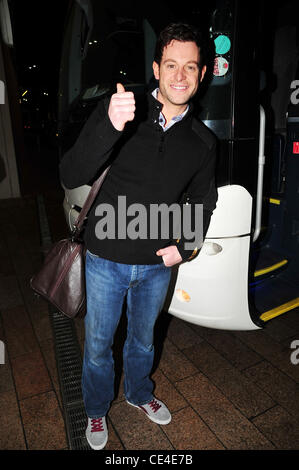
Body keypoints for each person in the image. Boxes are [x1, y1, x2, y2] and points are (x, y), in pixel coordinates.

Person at [59, 22, 217, 450]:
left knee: (143, 340)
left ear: (202, 75)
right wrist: (107, 127)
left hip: (155, 266)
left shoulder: (203, 142)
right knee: (97, 344)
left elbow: (204, 202)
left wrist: (183, 247)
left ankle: (138, 394)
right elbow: (71, 173)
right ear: (156, 69)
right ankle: (95, 411)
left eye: (190, 67)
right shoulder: (123, 111)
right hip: (105, 258)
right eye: (171, 65)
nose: (180, 76)